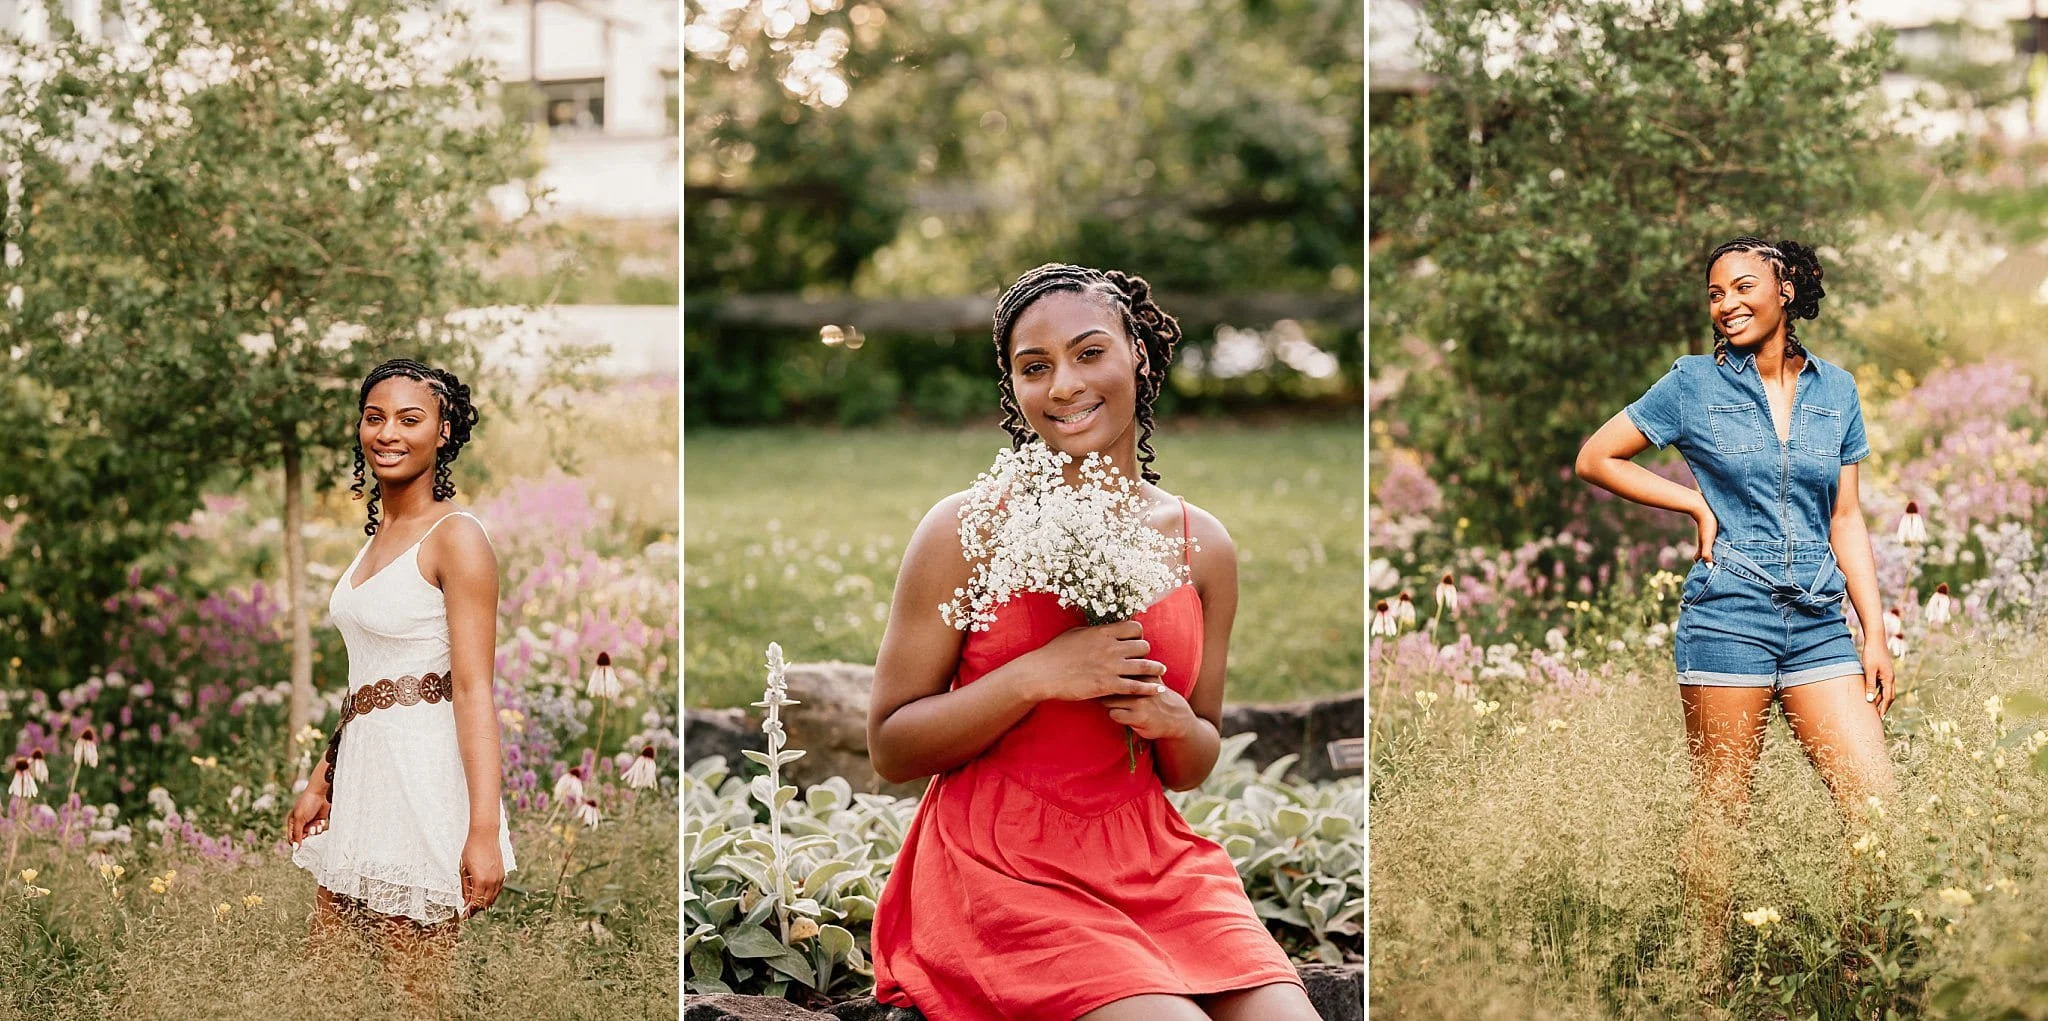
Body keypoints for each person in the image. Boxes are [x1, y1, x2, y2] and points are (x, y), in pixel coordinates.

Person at [866, 264, 1318, 1021]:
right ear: (1013, 387)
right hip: (1003, 866)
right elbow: (890, 745)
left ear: (1137, 352)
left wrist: (1173, 719)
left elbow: (1193, 762)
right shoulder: (963, 528)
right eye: (1034, 367)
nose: (1065, 385)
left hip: (1155, 863)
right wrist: (1037, 675)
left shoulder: (1201, 545)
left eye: (1088, 352)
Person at [1574, 237, 1898, 971]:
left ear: (1787, 289)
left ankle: (1860, 974)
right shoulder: (1691, 383)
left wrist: (1873, 632)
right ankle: (1703, 984)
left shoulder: (1836, 389)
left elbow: (1845, 516)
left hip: (1820, 623)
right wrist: (1692, 501)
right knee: (1723, 810)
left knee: (1874, 805)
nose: (1726, 304)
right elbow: (1597, 456)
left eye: (1743, 286)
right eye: (1715, 294)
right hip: (1729, 616)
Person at [286, 358, 518, 988]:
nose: (388, 432)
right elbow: (374, 685)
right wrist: (322, 781)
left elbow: (471, 691)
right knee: (327, 979)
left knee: (413, 990)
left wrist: (482, 831)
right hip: (364, 777)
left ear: (443, 432)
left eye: (410, 419)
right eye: (374, 417)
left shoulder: (457, 538)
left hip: (422, 780)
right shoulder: (379, 534)